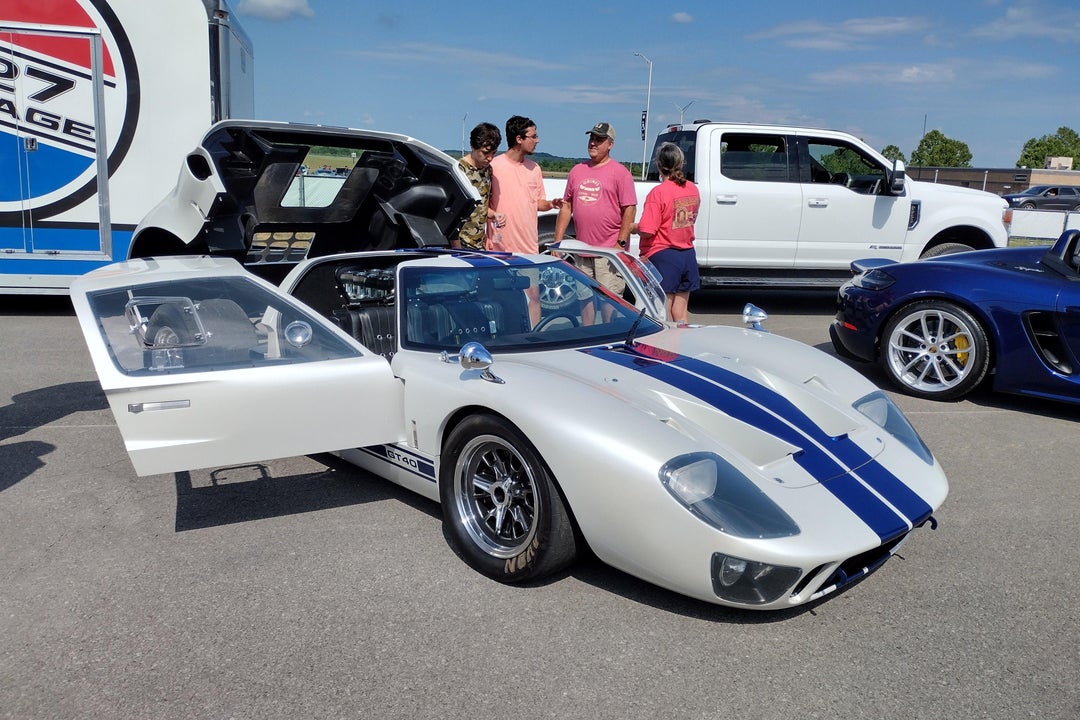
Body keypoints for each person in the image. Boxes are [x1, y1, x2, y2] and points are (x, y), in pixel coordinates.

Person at [554, 122, 637, 323]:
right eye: (591, 139)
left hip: (608, 251)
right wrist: (557, 241)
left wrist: (621, 243)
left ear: (610, 144)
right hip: (582, 250)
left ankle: (610, 336)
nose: (593, 143)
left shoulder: (620, 173)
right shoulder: (577, 171)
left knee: (610, 300)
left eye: (599, 140)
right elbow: (566, 206)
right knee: (585, 298)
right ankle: (587, 335)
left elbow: (630, 209)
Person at [631, 142, 700, 325]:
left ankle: (667, 349)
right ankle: (683, 346)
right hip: (687, 254)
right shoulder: (693, 189)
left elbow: (647, 229)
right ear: (681, 164)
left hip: (664, 255)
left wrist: (631, 227)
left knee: (662, 311)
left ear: (659, 165)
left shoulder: (658, 193)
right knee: (681, 311)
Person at [489, 115, 561, 255]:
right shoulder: (493, 167)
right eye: (533, 137)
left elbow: (537, 203)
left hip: (529, 251)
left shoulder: (535, 168)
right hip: (499, 251)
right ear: (519, 139)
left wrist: (551, 204)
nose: (537, 140)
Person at [454, 122, 503, 250]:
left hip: (479, 245)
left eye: (494, 153)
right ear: (472, 146)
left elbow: (481, 206)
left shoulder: (487, 170)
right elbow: (451, 213)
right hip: (460, 244)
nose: (490, 158)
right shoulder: (459, 170)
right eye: (486, 152)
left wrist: (494, 214)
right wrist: (456, 248)